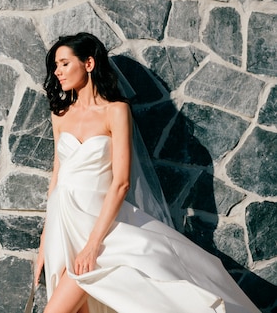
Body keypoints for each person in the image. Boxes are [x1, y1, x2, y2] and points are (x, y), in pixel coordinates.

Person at [33, 33, 260, 313]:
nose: (57, 71)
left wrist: (93, 245)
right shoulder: (60, 113)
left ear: (89, 63)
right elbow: (57, 174)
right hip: (63, 224)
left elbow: (121, 183)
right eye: (55, 65)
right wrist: (45, 241)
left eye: (65, 63)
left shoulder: (115, 111)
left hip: (97, 227)